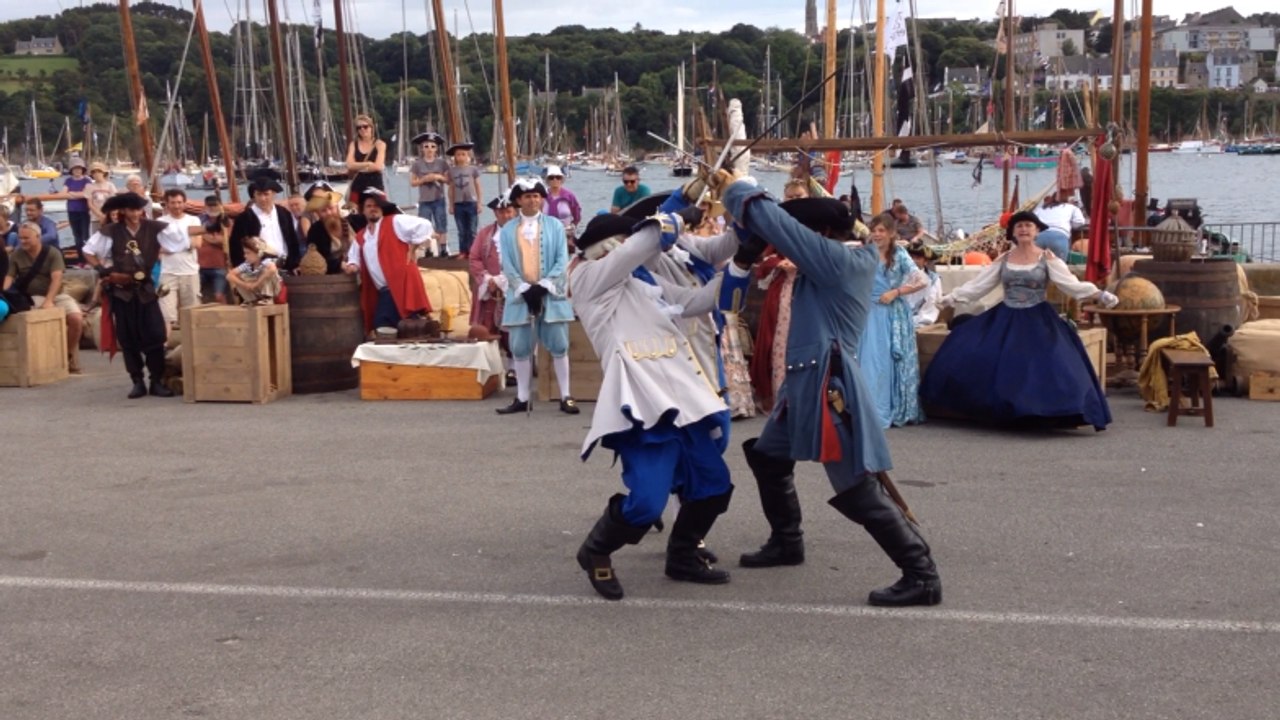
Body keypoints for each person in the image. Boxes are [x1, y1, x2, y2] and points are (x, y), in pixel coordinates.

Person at [720, 177, 942, 607]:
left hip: (828, 393)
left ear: (819, 236)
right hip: (805, 386)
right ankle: (787, 541)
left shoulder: (837, 262)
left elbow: (773, 222)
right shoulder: (835, 261)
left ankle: (921, 574)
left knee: (857, 487)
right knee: (768, 458)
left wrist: (736, 187)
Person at [568, 211, 735, 601]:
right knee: (645, 504)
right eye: (622, 240)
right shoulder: (588, 279)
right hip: (640, 405)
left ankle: (682, 555)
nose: (631, 247)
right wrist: (672, 212)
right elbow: (643, 244)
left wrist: (744, 265)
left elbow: (695, 300)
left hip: (681, 399)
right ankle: (595, 549)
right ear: (607, 247)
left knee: (714, 486)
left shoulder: (641, 281)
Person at [921, 211, 1119, 430]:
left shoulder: (1047, 258)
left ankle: (1046, 413)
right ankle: (1006, 411)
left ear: (1037, 231)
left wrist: (1099, 294)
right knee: (971, 347)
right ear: (1013, 232)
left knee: (1049, 363)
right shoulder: (1004, 259)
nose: (1024, 230)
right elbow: (980, 285)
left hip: (1038, 318)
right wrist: (951, 297)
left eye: (1028, 226)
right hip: (1007, 315)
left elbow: (1069, 284)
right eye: (1019, 226)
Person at [83, 193, 192, 398]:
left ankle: (156, 381)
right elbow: (88, 250)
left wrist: (211, 226)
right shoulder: (111, 232)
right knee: (128, 338)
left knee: (155, 335)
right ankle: (137, 381)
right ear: (123, 211)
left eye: (138, 209)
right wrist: (101, 269)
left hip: (146, 290)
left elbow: (181, 238)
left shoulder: (154, 227)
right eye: (131, 209)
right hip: (121, 292)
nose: (135, 213)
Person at [495, 177, 578, 415]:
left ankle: (566, 395)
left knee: (559, 344)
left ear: (542, 199)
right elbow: (508, 264)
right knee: (520, 347)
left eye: (536, 196)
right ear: (519, 200)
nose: (533, 200)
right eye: (527, 196)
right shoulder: (508, 229)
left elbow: (562, 260)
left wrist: (543, 286)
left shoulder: (555, 226)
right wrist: (523, 288)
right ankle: (521, 396)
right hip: (521, 295)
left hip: (550, 294)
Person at [859, 212, 927, 428]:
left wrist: (896, 292)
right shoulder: (866, 252)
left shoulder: (899, 255)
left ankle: (885, 407)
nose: (877, 234)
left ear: (890, 233)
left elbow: (921, 279)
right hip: (867, 310)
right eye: (874, 230)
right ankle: (865, 408)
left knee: (885, 359)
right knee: (866, 360)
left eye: (881, 231)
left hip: (890, 311)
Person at [342, 189, 434, 333]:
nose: (373, 209)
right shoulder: (361, 237)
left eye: (376, 205)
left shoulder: (395, 221)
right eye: (369, 206)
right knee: (393, 328)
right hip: (383, 292)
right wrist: (352, 267)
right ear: (363, 211)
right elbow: (354, 260)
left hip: (403, 286)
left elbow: (424, 225)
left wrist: (413, 247)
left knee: (394, 327)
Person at [4, 222, 85, 372]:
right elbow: (9, 276)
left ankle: (67, 355)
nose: (23, 241)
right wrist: (4, 294)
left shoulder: (52, 253)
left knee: (76, 319)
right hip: (32, 295)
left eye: (26, 238)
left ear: (38, 237)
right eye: (21, 238)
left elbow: (57, 278)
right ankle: (43, 360)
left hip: (56, 294)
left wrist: (49, 300)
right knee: (33, 318)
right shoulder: (17, 255)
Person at [228, 172, 301, 273]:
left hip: (285, 265)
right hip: (258, 268)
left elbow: (293, 241)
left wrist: (295, 263)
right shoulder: (245, 217)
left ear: (274, 194)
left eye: (266, 194)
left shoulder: (283, 213)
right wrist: (244, 270)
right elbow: (236, 246)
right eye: (259, 194)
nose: (262, 198)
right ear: (254, 195)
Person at [156, 189, 205, 327]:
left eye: (179, 202)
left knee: (192, 312)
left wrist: (171, 246)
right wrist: (183, 244)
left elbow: (197, 243)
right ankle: (164, 344)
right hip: (167, 273)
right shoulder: (160, 222)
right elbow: (156, 247)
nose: (176, 206)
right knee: (166, 312)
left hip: (189, 272)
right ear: (167, 204)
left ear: (184, 203)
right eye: (172, 203)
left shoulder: (193, 220)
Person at [469, 194, 517, 336]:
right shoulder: (485, 234)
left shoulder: (522, 232)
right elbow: (474, 258)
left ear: (514, 211)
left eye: (508, 211)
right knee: (487, 327)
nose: (506, 215)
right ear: (495, 213)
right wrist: (488, 279)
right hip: (489, 289)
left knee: (513, 333)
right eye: (501, 212)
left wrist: (503, 281)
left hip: (513, 288)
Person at [409, 131, 449, 255]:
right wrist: (424, 180)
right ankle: (428, 250)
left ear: (436, 148)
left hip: (439, 199)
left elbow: (448, 180)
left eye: (432, 146)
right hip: (424, 200)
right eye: (426, 146)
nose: (429, 149)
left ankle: (443, 249)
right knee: (425, 226)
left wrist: (436, 176)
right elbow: (413, 182)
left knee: (441, 224)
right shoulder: (416, 164)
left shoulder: (442, 163)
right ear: (422, 148)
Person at [446, 141, 483, 257]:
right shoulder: (452, 171)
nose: (461, 157)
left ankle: (472, 251)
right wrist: (451, 205)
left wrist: (479, 203)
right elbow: (451, 189)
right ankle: (463, 251)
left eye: (463, 154)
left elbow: (478, 186)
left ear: (467, 156)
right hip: (458, 204)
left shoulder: (473, 170)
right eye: (458, 154)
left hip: (471, 203)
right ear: (455, 157)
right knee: (461, 231)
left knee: (472, 230)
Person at [304, 190, 354, 274]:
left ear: (337, 207)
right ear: (318, 213)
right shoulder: (315, 231)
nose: (329, 213)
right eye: (324, 211)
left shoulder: (351, 222)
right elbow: (314, 258)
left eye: (331, 208)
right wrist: (338, 265)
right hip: (331, 276)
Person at [344, 114, 387, 204]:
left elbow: (378, 166)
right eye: (359, 127)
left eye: (365, 126)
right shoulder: (353, 144)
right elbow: (349, 165)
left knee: (379, 210)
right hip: (358, 186)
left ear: (371, 127)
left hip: (376, 186)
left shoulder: (380, 144)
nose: (362, 129)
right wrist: (368, 164)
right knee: (356, 215)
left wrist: (357, 166)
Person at [227, 237, 282, 305]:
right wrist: (245, 285)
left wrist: (256, 283)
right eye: (245, 253)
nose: (245, 256)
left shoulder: (266, 261)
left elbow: (272, 269)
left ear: (258, 253)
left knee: (267, 271)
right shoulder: (247, 264)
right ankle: (251, 300)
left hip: (273, 289)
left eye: (248, 253)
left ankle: (268, 298)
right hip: (256, 290)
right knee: (239, 276)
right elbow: (229, 275)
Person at [1033, 191, 1087, 260]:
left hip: (1040, 237)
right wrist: (1070, 225)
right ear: (1067, 199)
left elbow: (1032, 221)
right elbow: (1080, 222)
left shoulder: (1041, 209)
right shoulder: (1072, 208)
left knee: (1036, 266)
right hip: (1059, 237)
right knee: (1059, 267)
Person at [197, 195, 230, 303]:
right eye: (209, 205)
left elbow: (224, 241)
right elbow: (192, 237)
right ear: (205, 206)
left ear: (220, 205)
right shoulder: (198, 220)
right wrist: (213, 237)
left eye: (215, 205)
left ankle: (226, 317)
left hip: (219, 266)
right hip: (199, 266)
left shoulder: (226, 221)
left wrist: (203, 235)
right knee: (194, 294)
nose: (212, 208)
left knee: (219, 296)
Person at [904, 244, 942, 327]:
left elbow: (932, 303)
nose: (913, 261)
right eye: (910, 257)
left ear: (925, 261)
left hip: (922, 320)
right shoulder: (897, 276)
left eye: (917, 258)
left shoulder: (933, 279)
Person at [542, 165, 582, 247]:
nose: (555, 180)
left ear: (561, 179)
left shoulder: (569, 196)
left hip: (565, 236)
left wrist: (573, 226)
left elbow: (577, 214)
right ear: (548, 180)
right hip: (546, 235)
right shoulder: (542, 196)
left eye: (558, 177)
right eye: (551, 177)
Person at [61, 159, 92, 260]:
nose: (77, 171)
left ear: (82, 169)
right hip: (72, 210)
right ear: (71, 170)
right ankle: (80, 259)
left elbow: (86, 194)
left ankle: (88, 259)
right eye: (75, 169)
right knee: (77, 236)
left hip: (84, 211)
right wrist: (78, 194)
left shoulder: (87, 180)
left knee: (85, 235)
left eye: (79, 168)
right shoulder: (68, 181)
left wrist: (71, 194)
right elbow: (63, 194)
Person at [85, 162, 118, 231]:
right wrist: (100, 215)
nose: (96, 174)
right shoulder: (89, 186)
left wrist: (106, 215)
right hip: (95, 217)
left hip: (109, 217)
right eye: (94, 172)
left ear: (103, 173)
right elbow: (90, 204)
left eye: (99, 171)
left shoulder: (110, 185)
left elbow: (114, 202)